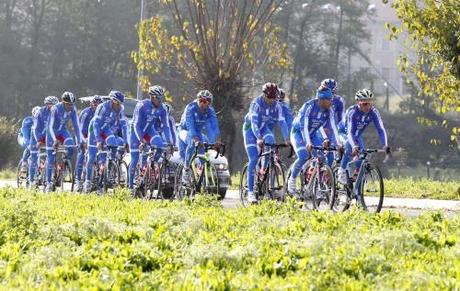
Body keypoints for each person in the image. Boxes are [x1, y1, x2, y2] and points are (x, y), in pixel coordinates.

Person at [287, 87, 340, 194]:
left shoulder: (329, 110)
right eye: (330, 99)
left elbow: (333, 127)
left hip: (313, 133)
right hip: (298, 133)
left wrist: (338, 143)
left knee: (322, 157)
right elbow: (304, 127)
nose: (331, 101)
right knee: (303, 155)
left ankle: (317, 186)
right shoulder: (309, 107)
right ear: (322, 99)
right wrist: (308, 142)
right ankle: (291, 180)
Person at [242, 82, 290, 203]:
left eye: (274, 98)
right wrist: (258, 137)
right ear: (264, 95)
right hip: (251, 130)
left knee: (271, 141)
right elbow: (253, 123)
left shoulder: (277, 105)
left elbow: (282, 122)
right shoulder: (256, 103)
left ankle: (264, 169)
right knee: (253, 158)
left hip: (264, 129)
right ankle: (251, 192)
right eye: (269, 97)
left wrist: (287, 138)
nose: (271, 100)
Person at [337, 89, 389, 184]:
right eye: (365, 104)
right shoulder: (352, 112)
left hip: (356, 135)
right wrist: (354, 146)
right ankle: (342, 171)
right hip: (343, 133)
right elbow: (349, 132)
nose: (368, 106)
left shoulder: (373, 112)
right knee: (349, 146)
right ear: (358, 103)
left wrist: (385, 145)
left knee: (362, 156)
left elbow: (381, 129)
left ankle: (356, 177)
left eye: (369, 103)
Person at [128, 85, 172, 190]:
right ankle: (129, 186)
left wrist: (170, 142)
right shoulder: (142, 105)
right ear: (152, 97)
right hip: (136, 132)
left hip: (149, 131)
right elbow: (137, 125)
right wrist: (141, 140)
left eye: (162, 98)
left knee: (160, 146)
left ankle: (151, 165)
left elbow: (166, 126)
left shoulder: (163, 108)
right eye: (159, 98)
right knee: (134, 158)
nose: (161, 101)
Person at [83, 91, 127, 193]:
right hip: (94, 130)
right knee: (92, 156)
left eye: (120, 104)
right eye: (117, 104)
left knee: (113, 145)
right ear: (112, 101)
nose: (118, 106)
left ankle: (108, 170)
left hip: (106, 129)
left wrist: (126, 142)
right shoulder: (102, 107)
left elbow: (124, 126)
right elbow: (96, 125)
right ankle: (88, 181)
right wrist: (98, 140)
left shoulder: (120, 109)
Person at [178, 90, 221, 185]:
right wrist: (195, 138)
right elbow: (190, 125)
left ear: (209, 103)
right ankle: (186, 169)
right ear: (197, 100)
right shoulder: (191, 107)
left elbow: (213, 127)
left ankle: (200, 178)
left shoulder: (210, 111)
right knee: (193, 143)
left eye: (205, 101)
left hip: (197, 133)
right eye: (200, 100)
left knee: (204, 153)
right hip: (184, 131)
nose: (202, 103)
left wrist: (217, 140)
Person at [45, 91, 82, 192]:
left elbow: (77, 126)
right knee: (51, 158)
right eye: (68, 104)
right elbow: (50, 126)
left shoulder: (73, 110)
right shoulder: (55, 108)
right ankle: (49, 183)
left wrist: (80, 140)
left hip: (62, 131)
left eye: (72, 104)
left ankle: (64, 165)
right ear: (63, 102)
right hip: (52, 132)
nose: (70, 106)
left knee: (71, 147)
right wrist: (54, 140)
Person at [28, 96, 59, 187]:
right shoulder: (40, 112)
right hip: (36, 135)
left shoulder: (57, 113)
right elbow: (35, 129)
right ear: (46, 105)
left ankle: (49, 177)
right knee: (34, 157)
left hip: (48, 135)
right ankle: (31, 181)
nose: (53, 107)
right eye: (51, 105)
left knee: (51, 155)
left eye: (55, 105)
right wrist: (38, 140)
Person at [75, 95, 103, 191]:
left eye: (98, 105)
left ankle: (98, 180)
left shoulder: (102, 114)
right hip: (83, 135)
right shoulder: (86, 112)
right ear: (91, 104)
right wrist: (83, 140)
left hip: (95, 137)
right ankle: (78, 181)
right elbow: (80, 129)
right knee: (82, 154)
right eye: (95, 104)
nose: (96, 107)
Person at [316, 78, 345, 166]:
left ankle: (329, 176)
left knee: (331, 152)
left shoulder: (339, 101)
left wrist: (342, 131)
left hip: (331, 128)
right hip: (318, 128)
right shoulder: (317, 101)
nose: (330, 95)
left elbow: (341, 119)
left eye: (333, 92)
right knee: (318, 152)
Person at [17, 107, 39, 176]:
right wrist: (29, 143)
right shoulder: (28, 120)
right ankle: (24, 162)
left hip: (34, 139)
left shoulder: (43, 121)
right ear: (33, 114)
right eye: (36, 114)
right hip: (23, 137)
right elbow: (25, 133)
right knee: (29, 146)